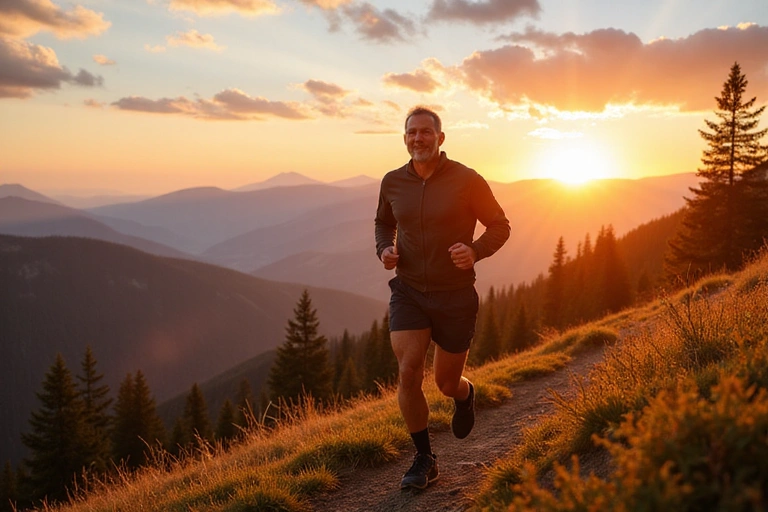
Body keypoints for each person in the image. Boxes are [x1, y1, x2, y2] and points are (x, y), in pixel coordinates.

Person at [374, 106, 510, 490]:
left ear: (440, 138)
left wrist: (476, 250)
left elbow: (500, 224)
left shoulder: (467, 180)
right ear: (404, 139)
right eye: (411, 133)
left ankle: (465, 394)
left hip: (455, 296)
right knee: (408, 371)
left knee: (445, 383)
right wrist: (385, 249)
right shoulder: (392, 182)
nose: (418, 138)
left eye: (425, 132)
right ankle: (424, 457)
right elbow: (384, 223)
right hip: (409, 291)